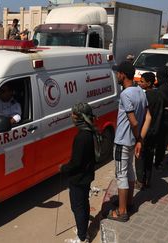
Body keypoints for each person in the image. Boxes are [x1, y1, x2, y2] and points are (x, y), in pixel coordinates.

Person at [108, 61, 151, 222]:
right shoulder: (140, 91)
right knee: (130, 171)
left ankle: (122, 211)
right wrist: (140, 139)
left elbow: (133, 122)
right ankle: (129, 202)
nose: (116, 76)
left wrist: (138, 137)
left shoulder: (126, 94)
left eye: (118, 73)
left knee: (121, 175)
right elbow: (148, 117)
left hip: (123, 141)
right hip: (133, 141)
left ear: (123, 75)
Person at [60, 102, 98, 243]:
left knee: (78, 207)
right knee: (83, 203)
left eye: (73, 114)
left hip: (79, 178)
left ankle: (82, 238)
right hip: (86, 176)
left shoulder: (82, 137)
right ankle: (83, 230)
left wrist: (63, 168)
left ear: (78, 117)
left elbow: (76, 163)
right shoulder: (89, 131)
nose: (71, 116)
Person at [135, 72, 163, 189]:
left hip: (145, 131)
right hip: (155, 130)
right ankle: (148, 180)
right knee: (150, 155)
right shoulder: (160, 95)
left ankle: (140, 180)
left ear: (149, 83)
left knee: (140, 155)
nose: (139, 83)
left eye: (142, 81)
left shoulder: (146, 96)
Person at [154, 66, 168, 170]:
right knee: (163, 142)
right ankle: (160, 160)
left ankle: (158, 162)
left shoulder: (162, 88)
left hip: (163, 120)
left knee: (160, 143)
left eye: (158, 76)